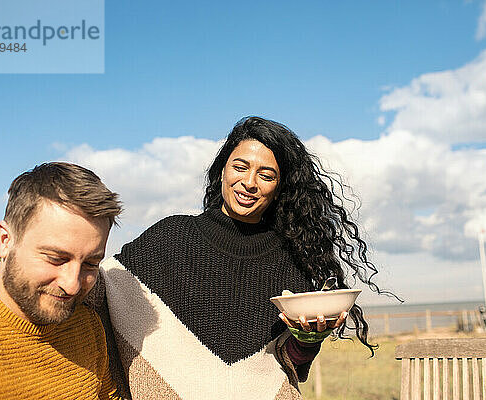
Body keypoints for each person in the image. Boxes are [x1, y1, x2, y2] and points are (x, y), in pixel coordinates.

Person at [96, 117, 388, 399]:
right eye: (240, 166)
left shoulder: (290, 260)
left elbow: (291, 363)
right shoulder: (170, 236)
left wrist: (308, 340)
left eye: (266, 174)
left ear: (279, 188)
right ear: (223, 170)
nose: (249, 182)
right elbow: (101, 289)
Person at [0, 162, 123, 399]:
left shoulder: (87, 327)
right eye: (56, 258)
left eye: (90, 264)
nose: (72, 285)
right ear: (5, 241)